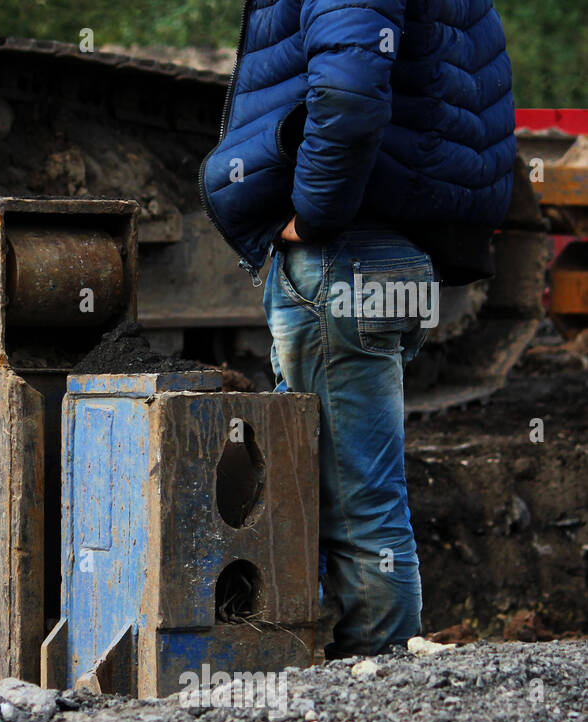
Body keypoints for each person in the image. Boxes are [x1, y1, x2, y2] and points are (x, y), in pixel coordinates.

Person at [199, 0, 517, 657]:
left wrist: (313, 215)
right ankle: (378, 673)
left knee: (354, 506)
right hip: (401, 255)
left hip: (342, 258)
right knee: (366, 494)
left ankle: (373, 684)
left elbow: (348, 96)